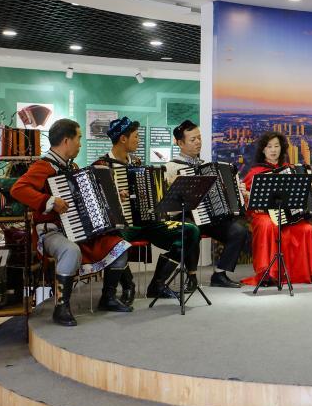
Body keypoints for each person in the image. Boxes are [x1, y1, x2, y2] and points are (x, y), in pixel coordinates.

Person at [11, 118, 132, 326]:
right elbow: (18, 189)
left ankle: (108, 297)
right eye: (79, 138)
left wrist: (112, 194)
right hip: (51, 233)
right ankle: (61, 307)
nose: (80, 144)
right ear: (66, 140)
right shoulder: (43, 166)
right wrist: (49, 201)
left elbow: (87, 195)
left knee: (119, 246)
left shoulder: (72, 167)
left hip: (79, 230)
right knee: (71, 250)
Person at [93, 116, 201, 300]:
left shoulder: (136, 164)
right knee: (115, 240)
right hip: (120, 226)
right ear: (123, 139)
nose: (138, 140)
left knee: (190, 231)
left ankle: (158, 284)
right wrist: (115, 195)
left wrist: (165, 188)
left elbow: (148, 192)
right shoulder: (102, 166)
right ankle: (127, 286)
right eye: (136, 136)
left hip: (146, 222)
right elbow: (95, 202)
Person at [164, 119, 248, 288]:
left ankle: (219, 274)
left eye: (199, 138)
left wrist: (236, 190)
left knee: (239, 230)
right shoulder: (170, 168)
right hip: (185, 216)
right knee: (191, 230)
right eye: (193, 139)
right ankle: (191, 276)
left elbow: (219, 193)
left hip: (209, 217)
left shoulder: (205, 166)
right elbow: (168, 204)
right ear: (180, 143)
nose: (198, 142)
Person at [240, 131, 312, 286]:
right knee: (267, 225)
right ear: (263, 150)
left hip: (287, 215)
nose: (273, 150)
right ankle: (268, 274)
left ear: (282, 148)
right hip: (263, 215)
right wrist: (246, 195)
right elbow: (247, 203)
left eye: (276, 146)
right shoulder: (255, 171)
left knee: (306, 228)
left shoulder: (289, 169)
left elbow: (300, 195)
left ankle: (302, 273)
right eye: (269, 146)